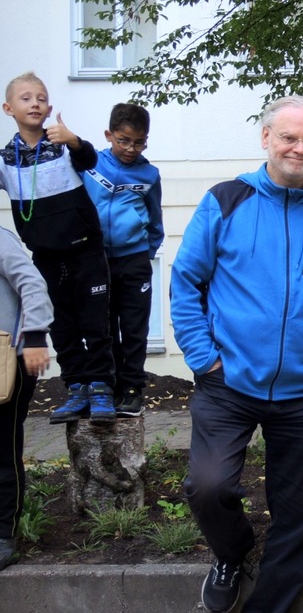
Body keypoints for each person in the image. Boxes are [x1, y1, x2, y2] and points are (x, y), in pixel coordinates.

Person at [171, 96, 303, 613]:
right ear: (265, 139)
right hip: (227, 382)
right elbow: (187, 282)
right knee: (208, 487)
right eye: (289, 138)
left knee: (299, 514)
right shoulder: (226, 199)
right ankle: (231, 554)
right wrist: (202, 357)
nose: (300, 148)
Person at [0, 72, 116, 423]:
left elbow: (90, 160)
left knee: (96, 324)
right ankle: (77, 387)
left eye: (40, 98)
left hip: (86, 251)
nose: (34, 103)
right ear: (8, 108)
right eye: (25, 98)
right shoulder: (5, 159)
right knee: (62, 326)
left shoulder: (63, 143)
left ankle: (101, 387)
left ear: (49, 107)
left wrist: (75, 140)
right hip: (46, 258)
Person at [82, 103, 163, 416]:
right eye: (123, 140)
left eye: (139, 142)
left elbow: (155, 221)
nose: (131, 148)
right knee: (103, 324)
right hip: (96, 259)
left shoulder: (149, 174)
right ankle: (107, 385)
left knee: (133, 326)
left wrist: (145, 252)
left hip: (134, 260)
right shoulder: (89, 165)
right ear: (109, 135)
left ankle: (131, 389)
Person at [0, 226, 52, 571]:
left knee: (2, 450)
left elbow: (32, 284)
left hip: (6, 360)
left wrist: (34, 337)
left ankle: (4, 534)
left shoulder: (0, 239)